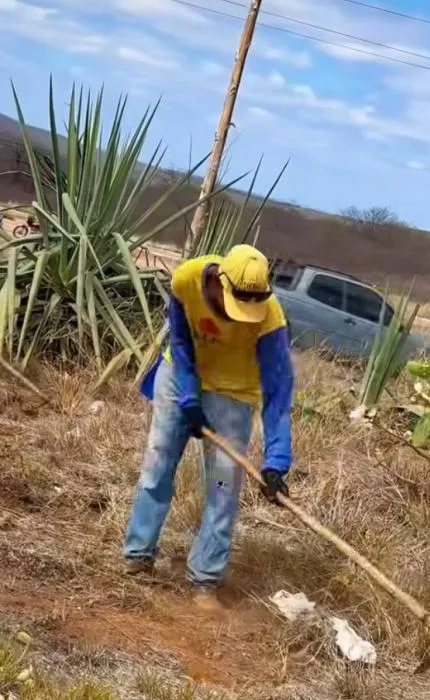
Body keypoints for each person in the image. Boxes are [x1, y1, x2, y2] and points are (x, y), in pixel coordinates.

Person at [122, 244, 294, 612]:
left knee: (222, 486)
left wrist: (276, 461)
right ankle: (138, 555)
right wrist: (190, 397)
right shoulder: (186, 280)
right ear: (218, 281)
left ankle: (205, 580)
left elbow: (279, 391)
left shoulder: (269, 319)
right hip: (180, 378)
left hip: (233, 396)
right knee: (158, 464)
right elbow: (181, 341)